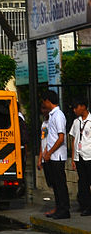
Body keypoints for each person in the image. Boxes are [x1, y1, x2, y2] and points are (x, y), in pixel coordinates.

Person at [42, 90, 70, 219]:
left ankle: (64, 209)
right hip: (52, 155)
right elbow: (51, 137)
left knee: (60, 184)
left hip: (57, 155)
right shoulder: (52, 116)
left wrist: (50, 152)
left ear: (48, 101)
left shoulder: (58, 115)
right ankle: (59, 208)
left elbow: (61, 138)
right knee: (56, 184)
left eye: (44, 101)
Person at [70, 100, 91, 216]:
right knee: (83, 182)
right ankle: (85, 205)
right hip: (80, 156)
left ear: (83, 106)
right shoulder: (76, 122)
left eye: (76, 107)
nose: (74, 110)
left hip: (89, 155)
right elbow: (74, 140)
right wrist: (73, 158)